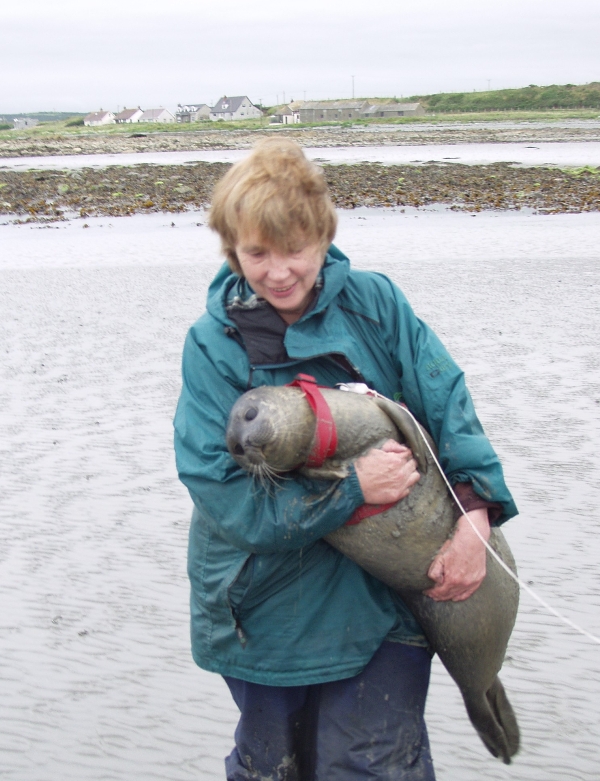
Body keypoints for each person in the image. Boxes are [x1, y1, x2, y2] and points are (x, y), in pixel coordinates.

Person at [174, 138, 517, 780]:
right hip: (263, 610)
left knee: (373, 766)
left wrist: (476, 516)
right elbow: (220, 490)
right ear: (231, 249)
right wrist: (353, 488)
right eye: (257, 253)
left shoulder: (376, 303)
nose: (279, 272)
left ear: (323, 236)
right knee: (273, 766)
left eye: (295, 249)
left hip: (384, 602)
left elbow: (446, 401)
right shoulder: (212, 345)